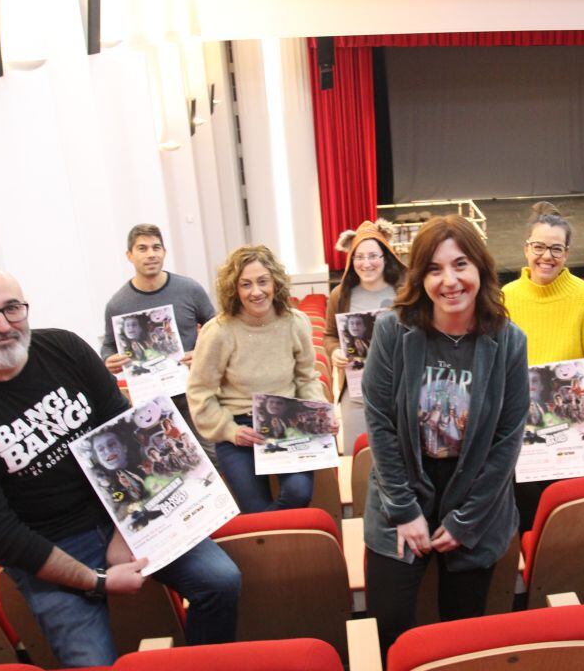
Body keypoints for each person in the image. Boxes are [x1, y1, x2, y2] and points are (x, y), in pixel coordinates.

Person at [0, 268, 240, 667]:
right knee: (89, 664)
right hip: (52, 545)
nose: (3, 325)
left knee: (222, 582)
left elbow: (127, 431)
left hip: (127, 512)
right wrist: (98, 580)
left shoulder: (65, 349)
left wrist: (126, 528)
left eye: (12, 309)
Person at [362, 215, 528, 654]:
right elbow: (380, 422)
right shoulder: (392, 330)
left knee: (460, 637)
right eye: (434, 269)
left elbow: (507, 439)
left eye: (460, 265)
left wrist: (467, 519)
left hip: (475, 493)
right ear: (420, 277)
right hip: (401, 487)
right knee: (391, 630)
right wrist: (402, 509)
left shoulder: (509, 341)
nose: (449, 280)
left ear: (480, 269)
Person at [187, 245, 330, 513]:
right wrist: (231, 431)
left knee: (299, 492)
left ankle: (270, 537)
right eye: (246, 284)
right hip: (239, 428)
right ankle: (273, 542)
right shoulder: (219, 331)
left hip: (288, 422)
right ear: (234, 289)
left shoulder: (294, 322)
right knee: (254, 508)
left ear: (275, 282)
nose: (256, 291)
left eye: (263, 281)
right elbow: (199, 393)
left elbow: (307, 378)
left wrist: (320, 414)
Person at [501, 201, 584, 529]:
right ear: (526, 249)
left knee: (569, 515)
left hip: (571, 425)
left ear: (567, 254)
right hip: (521, 427)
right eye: (538, 247)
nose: (546, 256)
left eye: (556, 249)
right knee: (525, 515)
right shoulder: (507, 296)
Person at [100, 223, 217, 457]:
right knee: (172, 458)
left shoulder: (189, 289)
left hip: (195, 390)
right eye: (142, 248)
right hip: (151, 398)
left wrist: (201, 352)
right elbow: (109, 345)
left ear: (164, 252)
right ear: (129, 255)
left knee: (213, 457)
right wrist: (108, 359)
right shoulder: (118, 304)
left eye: (156, 247)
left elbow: (217, 328)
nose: (151, 254)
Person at [323, 219, 406, 452]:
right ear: (351, 259)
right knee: (359, 458)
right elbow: (329, 335)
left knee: (399, 460)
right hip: (358, 393)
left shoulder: (405, 292)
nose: (366, 263)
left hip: (400, 392)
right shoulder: (340, 295)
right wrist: (335, 351)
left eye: (373, 256)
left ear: (385, 257)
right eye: (359, 257)